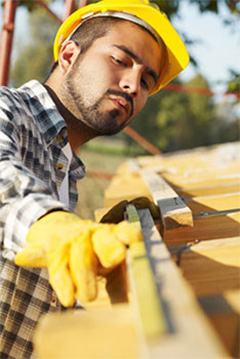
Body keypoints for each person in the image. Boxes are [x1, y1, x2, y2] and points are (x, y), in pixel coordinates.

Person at [0, 0, 189, 358]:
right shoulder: (8, 109)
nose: (134, 84)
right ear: (69, 55)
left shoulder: (65, 172)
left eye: (147, 80)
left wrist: (106, 265)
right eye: (120, 60)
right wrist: (49, 224)